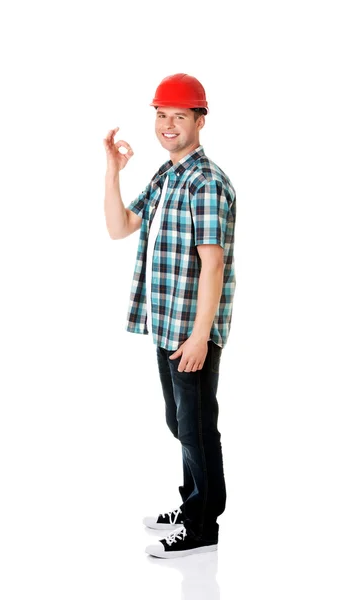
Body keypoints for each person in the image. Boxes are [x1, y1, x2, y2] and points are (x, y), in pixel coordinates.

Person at [103, 73, 236, 558]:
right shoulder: (166, 174)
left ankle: (204, 527)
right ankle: (193, 502)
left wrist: (201, 336)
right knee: (180, 422)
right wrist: (112, 170)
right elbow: (120, 227)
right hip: (165, 326)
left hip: (192, 332)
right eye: (162, 115)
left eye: (180, 115)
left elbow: (214, 263)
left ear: (200, 119)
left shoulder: (205, 181)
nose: (168, 125)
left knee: (197, 425)